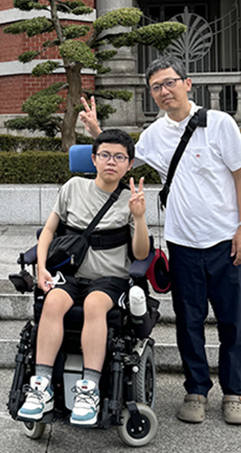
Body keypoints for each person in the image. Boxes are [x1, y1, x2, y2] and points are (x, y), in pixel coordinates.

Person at [79, 56, 241, 426]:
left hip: (226, 242)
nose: (164, 91)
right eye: (156, 86)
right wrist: (97, 131)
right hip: (182, 244)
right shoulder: (155, 134)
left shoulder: (219, 124)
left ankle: (235, 392)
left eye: (170, 82)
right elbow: (121, 158)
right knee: (189, 321)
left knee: (233, 321)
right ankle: (196, 390)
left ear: (188, 83)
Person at [17, 129, 149, 427]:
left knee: (94, 306)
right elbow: (48, 232)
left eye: (119, 157)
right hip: (72, 275)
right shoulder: (73, 187)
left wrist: (138, 217)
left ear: (129, 164)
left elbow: (141, 254)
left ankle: (88, 389)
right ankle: (41, 386)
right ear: (93, 159)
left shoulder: (132, 199)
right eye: (105, 155)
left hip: (110, 279)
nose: (111, 162)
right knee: (52, 303)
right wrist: (41, 267)